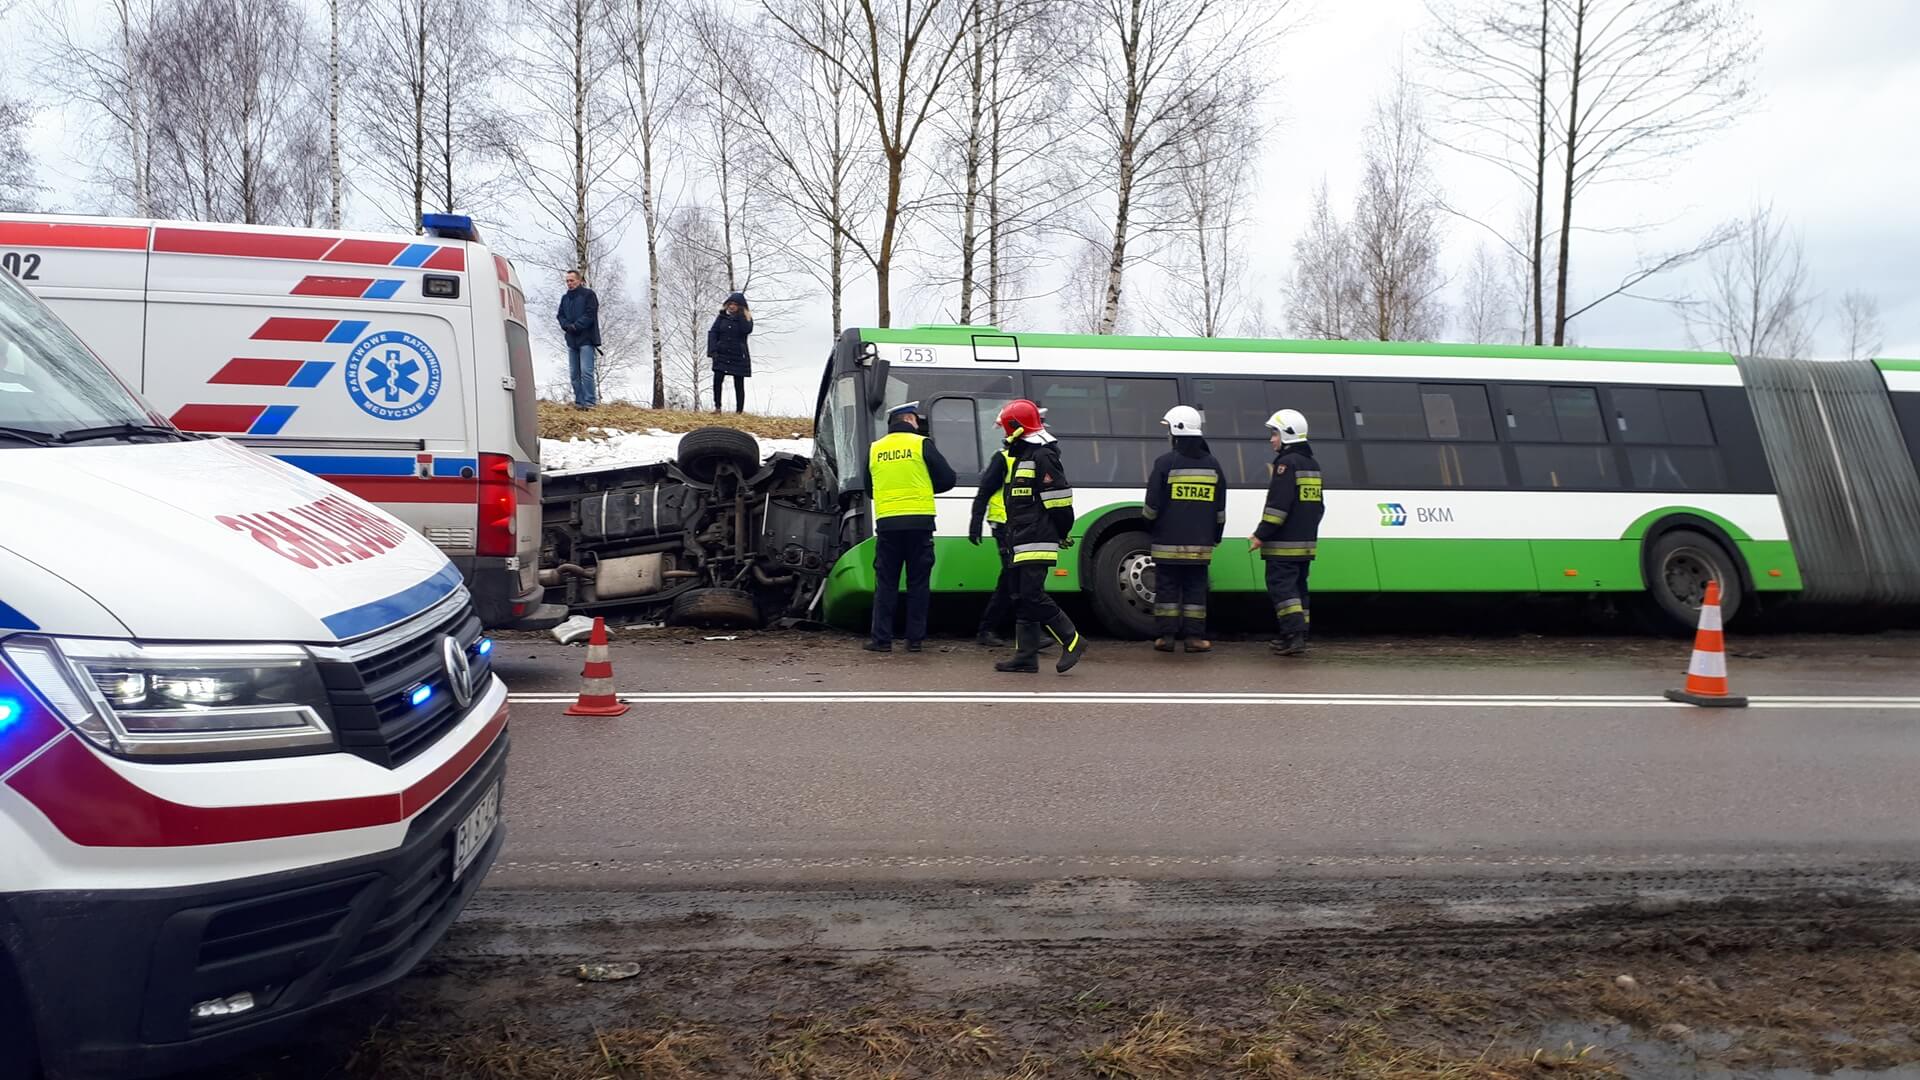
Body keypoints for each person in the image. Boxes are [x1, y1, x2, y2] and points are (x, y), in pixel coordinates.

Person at [993, 399, 1088, 674]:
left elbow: (1059, 501)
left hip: (1037, 536)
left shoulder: (1043, 456)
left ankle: (1072, 640)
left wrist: (1061, 532)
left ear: (1016, 428)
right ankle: (1026, 656)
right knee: (1023, 597)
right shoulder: (1025, 455)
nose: (1003, 433)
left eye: (1006, 427)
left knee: (1032, 595)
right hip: (1022, 536)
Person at [865, 401, 956, 653]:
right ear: (908, 420)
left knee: (886, 583)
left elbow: (869, 489)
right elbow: (948, 478)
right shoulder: (921, 444)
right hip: (920, 523)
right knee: (918, 582)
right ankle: (914, 640)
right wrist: (926, 486)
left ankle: (881, 640)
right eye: (916, 418)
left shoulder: (875, 449)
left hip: (887, 523)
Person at [1144, 405, 1227, 653]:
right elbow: (1220, 509)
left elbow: (1151, 506)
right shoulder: (1213, 465)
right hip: (1200, 546)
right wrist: (1216, 536)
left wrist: (1150, 527)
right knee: (1195, 592)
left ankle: (1165, 638)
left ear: (1177, 431)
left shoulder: (1164, 463)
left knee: (1167, 590)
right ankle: (1194, 639)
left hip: (1167, 543)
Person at [1250, 408, 1325, 656]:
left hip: (1284, 545)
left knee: (1283, 590)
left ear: (1287, 434)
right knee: (1299, 590)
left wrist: (1261, 534)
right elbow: (1319, 506)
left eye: (1275, 433)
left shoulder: (1286, 463)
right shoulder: (1312, 464)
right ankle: (1296, 634)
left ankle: (1293, 636)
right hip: (1305, 543)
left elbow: (1278, 506)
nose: (1272, 439)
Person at [967, 428, 1018, 647]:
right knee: (1015, 576)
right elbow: (985, 490)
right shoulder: (1003, 459)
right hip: (1004, 525)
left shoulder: (1032, 459)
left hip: (1022, 526)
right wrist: (976, 522)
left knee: (1012, 578)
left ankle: (989, 629)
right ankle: (991, 629)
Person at [556, 269, 600, 408]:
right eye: (567, 281)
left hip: (586, 339)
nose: (569, 283)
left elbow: (590, 313)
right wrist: (566, 326)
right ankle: (580, 402)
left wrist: (577, 326)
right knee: (574, 373)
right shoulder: (565, 298)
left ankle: (590, 402)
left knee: (586, 371)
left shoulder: (589, 295)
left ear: (579, 280)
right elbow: (560, 315)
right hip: (571, 340)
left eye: (572, 280)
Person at [707, 291, 753, 412]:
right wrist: (712, 351)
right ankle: (717, 408)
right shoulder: (722, 318)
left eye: (735, 304)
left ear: (740, 306)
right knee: (717, 380)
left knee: (739, 383)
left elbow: (746, 330)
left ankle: (739, 411)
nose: (732, 306)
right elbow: (713, 333)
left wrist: (742, 315)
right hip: (721, 354)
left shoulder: (746, 319)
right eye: (730, 303)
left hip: (738, 355)